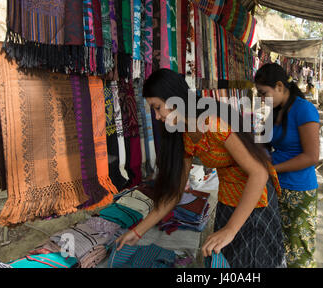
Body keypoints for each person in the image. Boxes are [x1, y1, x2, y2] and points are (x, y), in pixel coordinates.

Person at [115, 68, 285, 268]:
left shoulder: (213, 123)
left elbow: (259, 173)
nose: (157, 116)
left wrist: (230, 229)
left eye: (157, 107)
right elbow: (174, 193)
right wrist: (137, 232)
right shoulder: (185, 135)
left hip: (255, 203)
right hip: (228, 202)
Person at [255, 63, 320, 268]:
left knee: (299, 251)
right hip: (277, 187)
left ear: (280, 86)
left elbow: (311, 156)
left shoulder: (304, 110)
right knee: (277, 246)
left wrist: (272, 169)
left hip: (299, 191)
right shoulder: (274, 111)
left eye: (264, 93)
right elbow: (263, 144)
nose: (261, 99)